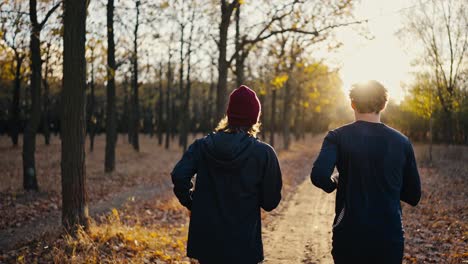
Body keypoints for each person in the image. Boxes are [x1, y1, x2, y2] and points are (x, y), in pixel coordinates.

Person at [311, 80, 421, 264]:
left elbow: (319, 176)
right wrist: (389, 184)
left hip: (349, 235)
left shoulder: (337, 137)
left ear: (352, 104)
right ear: (384, 105)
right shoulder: (402, 142)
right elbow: (413, 195)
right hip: (389, 237)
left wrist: (336, 182)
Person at [171, 85, 282, 264]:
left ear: (229, 115)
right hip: (244, 244)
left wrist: (192, 202)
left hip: (207, 242)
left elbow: (179, 175)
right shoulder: (264, 153)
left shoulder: (202, 146)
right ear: (255, 118)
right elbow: (270, 202)